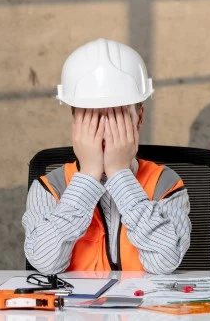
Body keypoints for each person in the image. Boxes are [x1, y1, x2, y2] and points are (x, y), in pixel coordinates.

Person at [22, 38, 191, 274]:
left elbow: (163, 263)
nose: (105, 130)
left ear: (139, 118)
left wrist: (120, 174)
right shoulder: (49, 187)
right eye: (92, 118)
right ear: (75, 123)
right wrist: (89, 174)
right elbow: (45, 263)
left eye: (117, 118)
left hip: (145, 308)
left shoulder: (165, 183)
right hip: (72, 309)